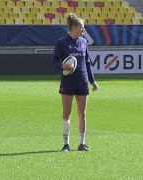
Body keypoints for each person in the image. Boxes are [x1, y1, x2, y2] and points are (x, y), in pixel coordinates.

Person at [52, 13, 98, 152]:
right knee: (66, 113)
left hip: (82, 82)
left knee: (82, 113)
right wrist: (62, 67)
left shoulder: (83, 42)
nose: (83, 30)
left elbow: (88, 62)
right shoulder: (61, 42)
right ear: (73, 27)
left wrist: (92, 81)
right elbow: (54, 61)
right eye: (82, 27)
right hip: (67, 82)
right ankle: (66, 144)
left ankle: (82, 143)